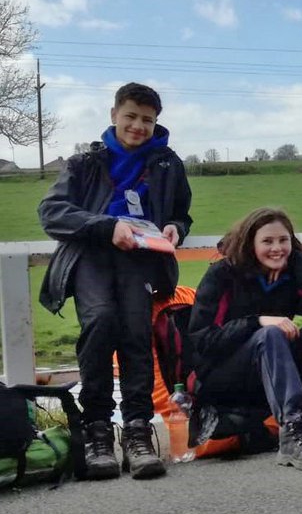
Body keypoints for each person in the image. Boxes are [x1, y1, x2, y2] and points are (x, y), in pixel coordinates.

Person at [37, 82, 192, 480]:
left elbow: (180, 212)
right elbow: (52, 211)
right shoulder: (85, 162)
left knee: (137, 336)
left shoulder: (167, 163)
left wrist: (175, 227)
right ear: (114, 115)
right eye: (131, 116)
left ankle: (138, 433)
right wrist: (107, 226)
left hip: (141, 261)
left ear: (156, 122)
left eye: (147, 119)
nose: (138, 126)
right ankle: (98, 432)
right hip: (92, 257)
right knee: (101, 323)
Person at [188, 208, 302, 471]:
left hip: (271, 368)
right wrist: (257, 321)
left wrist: (300, 258)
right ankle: (292, 432)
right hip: (223, 374)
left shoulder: (289, 272)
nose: (277, 248)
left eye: (284, 240)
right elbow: (203, 341)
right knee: (269, 333)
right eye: (267, 242)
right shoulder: (222, 275)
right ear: (250, 244)